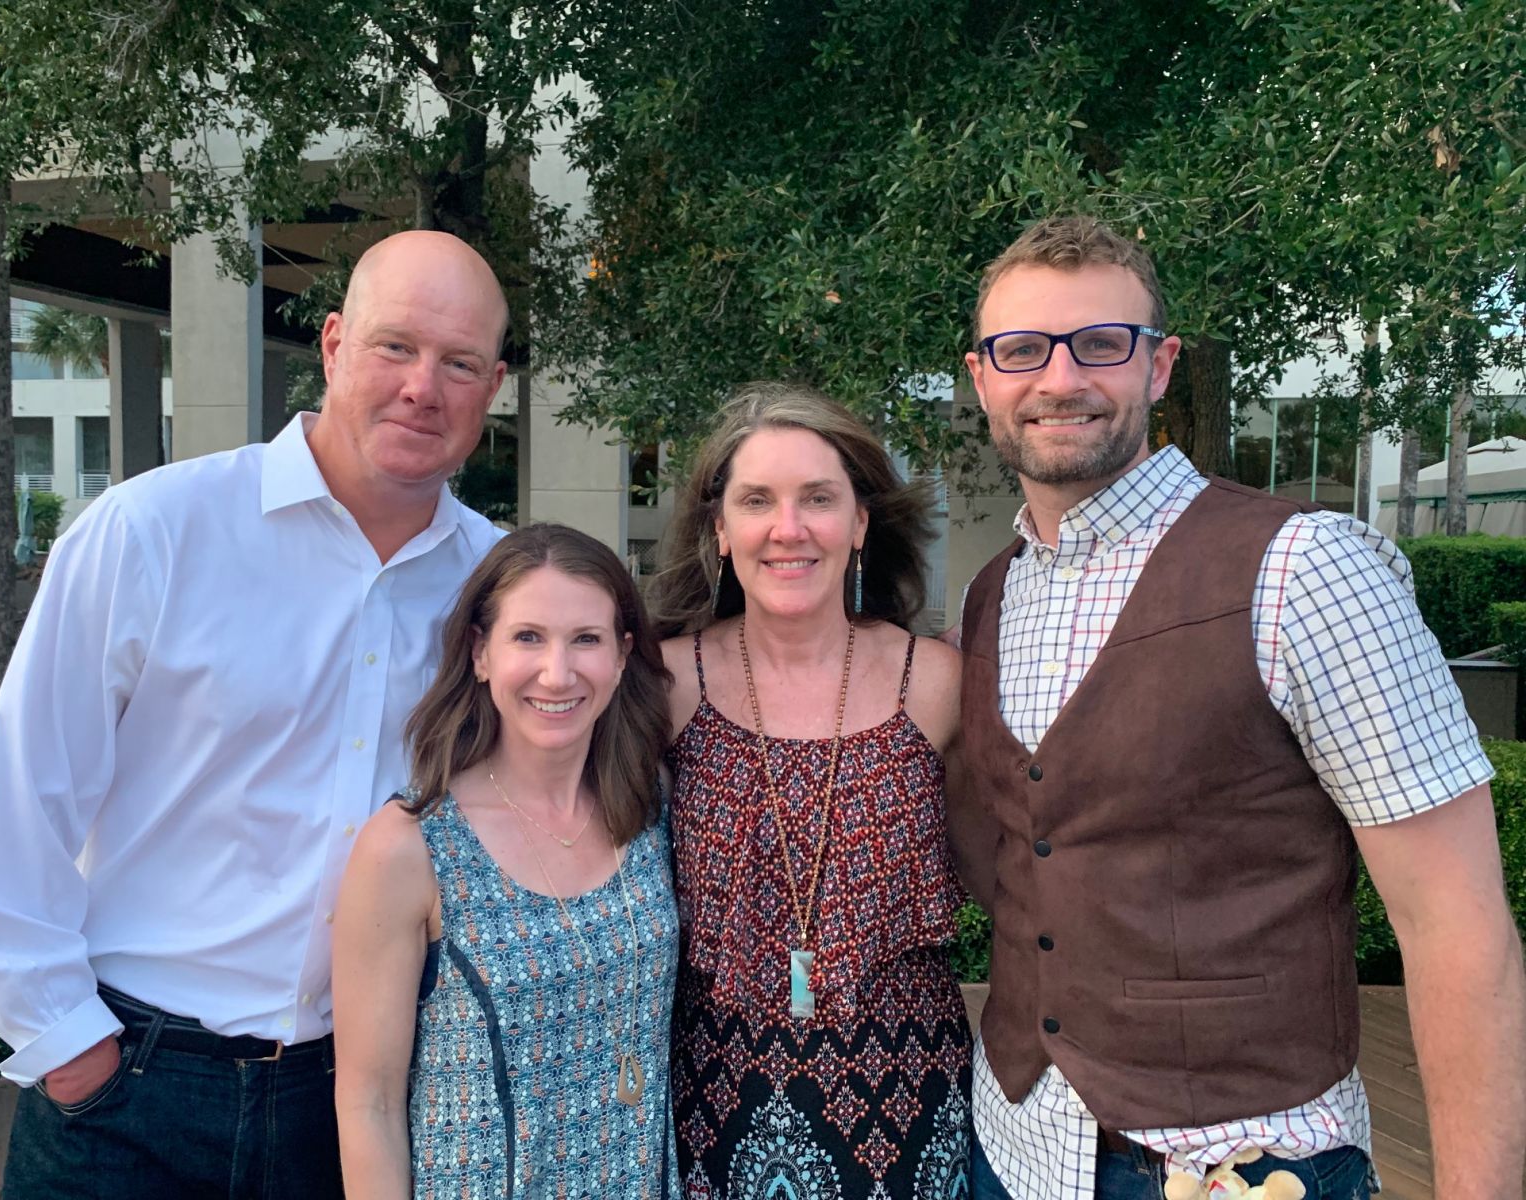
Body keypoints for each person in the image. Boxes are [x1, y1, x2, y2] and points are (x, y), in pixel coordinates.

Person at [951, 214, 1526, 1200]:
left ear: (1159, 365)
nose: (1058, 380)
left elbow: (1456, 928)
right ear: (981, 379)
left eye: (1101, 343)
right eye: (1022, 351)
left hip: (1245, 1169)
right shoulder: (992, 594)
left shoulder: (1305, 569)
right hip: (1011, 1150)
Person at [0, 230, 511, 1198]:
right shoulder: (153, 531)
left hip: (361, 1106)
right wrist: (71, 1049)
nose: (425, 386)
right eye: (395, 346)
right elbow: (22, 805)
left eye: (459, 363)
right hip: (132, 1097)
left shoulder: (500, 586)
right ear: (333, 345)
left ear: (492, 387)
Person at [652, 382, 972, 1199]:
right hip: (715, 1097)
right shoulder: (665, 685)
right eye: (757, 500)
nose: (787, 529)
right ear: (720, 529)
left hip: (908, 1098)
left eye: (818, 499)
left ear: (860, 522)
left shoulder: (933, 682)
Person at [332, 523, 679, 1198]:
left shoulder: (648, 807)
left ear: (620, 655)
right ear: (480, 652)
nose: (558, 672)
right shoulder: (409, 847)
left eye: (586, 639)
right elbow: (367, 1103)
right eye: (528, 637)